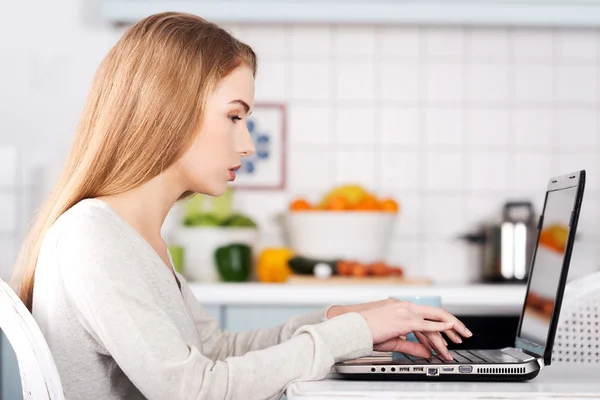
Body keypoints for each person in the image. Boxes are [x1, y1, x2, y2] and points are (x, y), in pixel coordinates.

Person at [10, 11, 472, 400]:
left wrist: (343, 322)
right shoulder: (93, 238)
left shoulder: (129, 237)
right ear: (169, 108)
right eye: (234, 116)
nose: (247, 144)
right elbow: (193, 390)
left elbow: (213, 349)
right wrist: (344, 336)